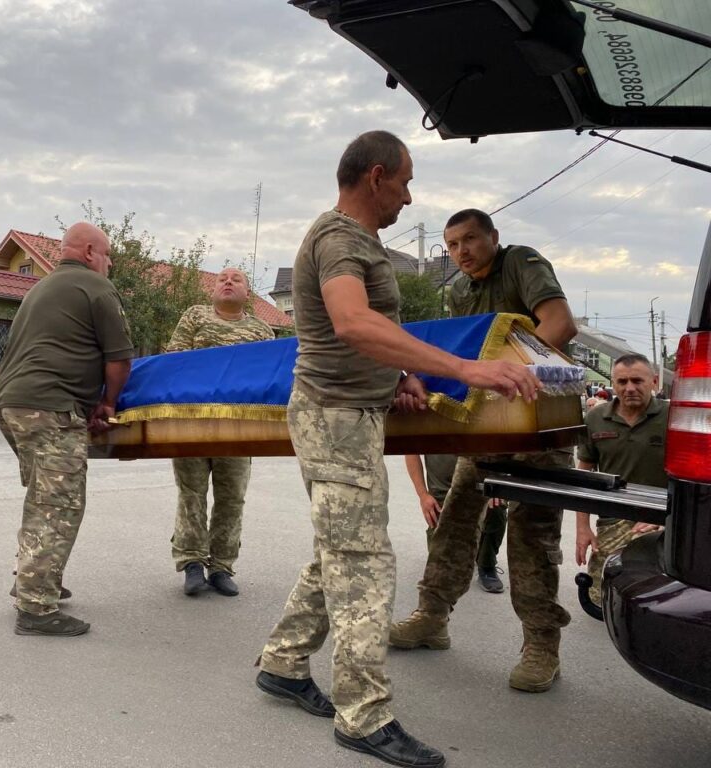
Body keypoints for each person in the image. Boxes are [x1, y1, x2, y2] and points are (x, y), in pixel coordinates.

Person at [254, 132, 541, 768]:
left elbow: (361, 336)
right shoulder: (338, 239)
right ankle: (364, 716)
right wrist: (465, 371)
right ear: (377, 175)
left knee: (342, 546)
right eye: (406, 183)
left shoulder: (361, 242)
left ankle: (282, 662)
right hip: (334, 419)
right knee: (364, 560)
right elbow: (353, 322)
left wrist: (399, 376)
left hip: (354, 413)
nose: (410, 198)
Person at [390, 208, 578, 694]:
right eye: (452, 245)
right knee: (455, 519)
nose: (461, 252)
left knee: (532, 531)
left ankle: (542, 645)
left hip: (540, 419)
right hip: (491, 421)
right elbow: (464, 354)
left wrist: (511, 377)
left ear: (493, 237)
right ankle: (432, 618)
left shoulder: (522, 263)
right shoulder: (458, 291)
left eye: (470, 239)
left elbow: (559, 324)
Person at [0, 222, 133, 637]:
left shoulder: (40, 288)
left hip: (11, 404)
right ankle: (36, 608)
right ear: (90, 252)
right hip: (49, 406)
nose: (109, 264)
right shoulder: (96, 288)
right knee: (58, 505)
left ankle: (32, 580)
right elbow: (120, 359)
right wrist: (107, 403)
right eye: (107, 255)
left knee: (43, 499)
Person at [165, 268, 274, 597]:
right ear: (213, 290)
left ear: (248, 293)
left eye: (237, 279)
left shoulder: (261, 330)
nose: (227, 281)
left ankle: (222, 566)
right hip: (192, 422)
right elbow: (175, 360)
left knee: (231, 499)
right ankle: (192, 563)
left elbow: (269, 378)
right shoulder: (195, 316)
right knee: (191, 494)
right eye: (222, 279)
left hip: (239, 428)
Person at [575, 354, 668, 603]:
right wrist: (582, 528)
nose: (629, 388)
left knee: (654, 596)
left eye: (637, 380)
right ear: (613, 384)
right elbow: (584, 474)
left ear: (654, 381)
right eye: (622, 381)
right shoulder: (595, 418)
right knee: (599, 598)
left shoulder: (673, 417)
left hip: (659, 520)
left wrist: (671, 518)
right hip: (611, 521)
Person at [404, 454, 508, 593]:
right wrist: (423, 495)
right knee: (442, 569)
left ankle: (486, 564)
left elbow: (499, 447)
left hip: (479, 481)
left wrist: (495, 485)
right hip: (442, 488)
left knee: (497, 508)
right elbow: (411, 452)